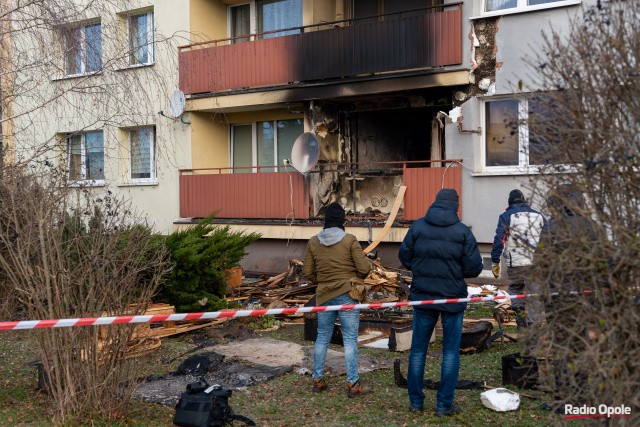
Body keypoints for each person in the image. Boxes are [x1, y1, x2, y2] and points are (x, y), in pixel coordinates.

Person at [398, 189, 483, 417]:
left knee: (418, 350)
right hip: (452, 298)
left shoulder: (417, 227)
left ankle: (415, 403)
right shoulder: (463, 232)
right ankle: (444, 405)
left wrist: (420, 267)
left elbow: (404, 257)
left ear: (435, 203)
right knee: (450, 353)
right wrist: (455, 272)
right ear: (456, 206)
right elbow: (474, 268)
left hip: (423, 297)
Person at [302, 201, 371, 398]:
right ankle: (353, 385)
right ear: (343, 221)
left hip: (323, 296)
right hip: (347, 294)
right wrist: (353, 278)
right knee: (349, 339)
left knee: (322, 337)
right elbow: (365, 269)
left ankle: (317, 380)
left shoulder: (313, 242)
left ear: (325, 221)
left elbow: (307, 271)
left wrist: (322, 281)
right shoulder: (350, 240)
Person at [490, 189, 547, 330]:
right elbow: (548, 238)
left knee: (515, 289)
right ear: (524, 201)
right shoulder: (539, 216)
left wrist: (495, 261)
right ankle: (534, 326)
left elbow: (499, 240)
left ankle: (520, 322)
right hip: (535, 262)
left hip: (515, 263)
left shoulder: (506, 215)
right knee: (535, 294)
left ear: (510, 202)